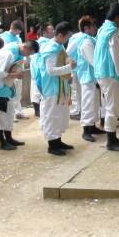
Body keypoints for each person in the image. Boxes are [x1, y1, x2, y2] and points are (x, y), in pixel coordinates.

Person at [94, 3, 119, 151]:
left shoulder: (102, 30)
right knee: (113, 107)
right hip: (111, 73)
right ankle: (111, 141)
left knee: (112, 105)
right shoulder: (114, 33)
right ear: (117, 17)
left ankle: (113, 137)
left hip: (103, 73)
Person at [0, 40, 39, 151]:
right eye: (28, 53)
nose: (27, 56)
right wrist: (15, 74)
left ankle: (9, 138)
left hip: (7, 88)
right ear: (24, 47)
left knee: (8, 114)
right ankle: (2, 142)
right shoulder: (7, 53)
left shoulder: (16, 52)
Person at [37, 22, 77, 156]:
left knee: (60, 115)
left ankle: (58, 140)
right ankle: (52, 145)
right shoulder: (51, 48)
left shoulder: (58, 46)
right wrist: (69, 68)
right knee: (52, 115)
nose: (68, 40)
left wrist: (68, 75)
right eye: (67, 37)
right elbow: (51, 70)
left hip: (60, 86)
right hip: (52, 87)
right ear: (60, 35)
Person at [68, 16, 105, 142]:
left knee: (94, 103)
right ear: (86, 28)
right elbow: (93, 60)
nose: (95, 28)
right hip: (88, 77)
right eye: (93, 26)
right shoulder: (85, 42)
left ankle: (92, 126)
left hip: (92, 77)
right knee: (88, 103)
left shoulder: (90, 40)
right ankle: (86, 130)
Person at [0, 20, 27, 120]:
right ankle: (11, 113)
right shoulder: (4, 38)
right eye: (17, 31)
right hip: (10, 68)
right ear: (13, 28)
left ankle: (18, 111)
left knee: (18, 90)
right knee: (10, 90)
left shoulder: (18, 38)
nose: (18, 34)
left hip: (19, 66)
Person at [30, 22, 54, 117]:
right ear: (44, 32)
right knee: (36, 90)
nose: (53, 31)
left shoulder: (47, 42)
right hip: (38, 69)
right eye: (51, 29)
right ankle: (37, 110)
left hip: (40, 69)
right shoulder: (42, 43)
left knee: (37, 89)